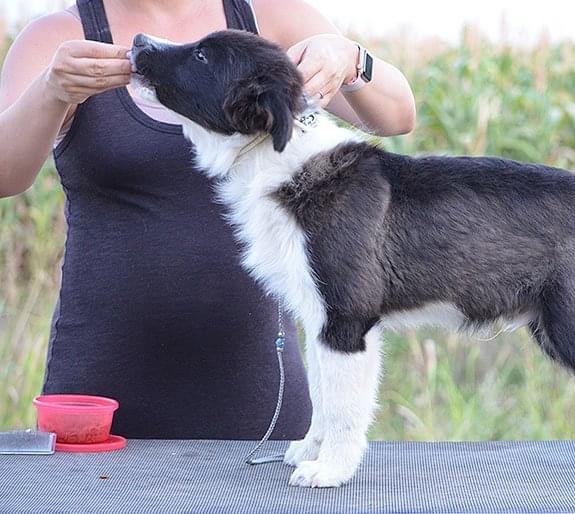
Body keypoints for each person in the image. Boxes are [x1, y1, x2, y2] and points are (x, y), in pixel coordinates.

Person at [0, 0, 415, 439]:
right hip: (101, 384)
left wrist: (350, 59)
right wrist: (51, 91)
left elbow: (397, 117)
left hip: (258, 384)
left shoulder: (271, 17)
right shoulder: (56, 35)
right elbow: (6, 177)